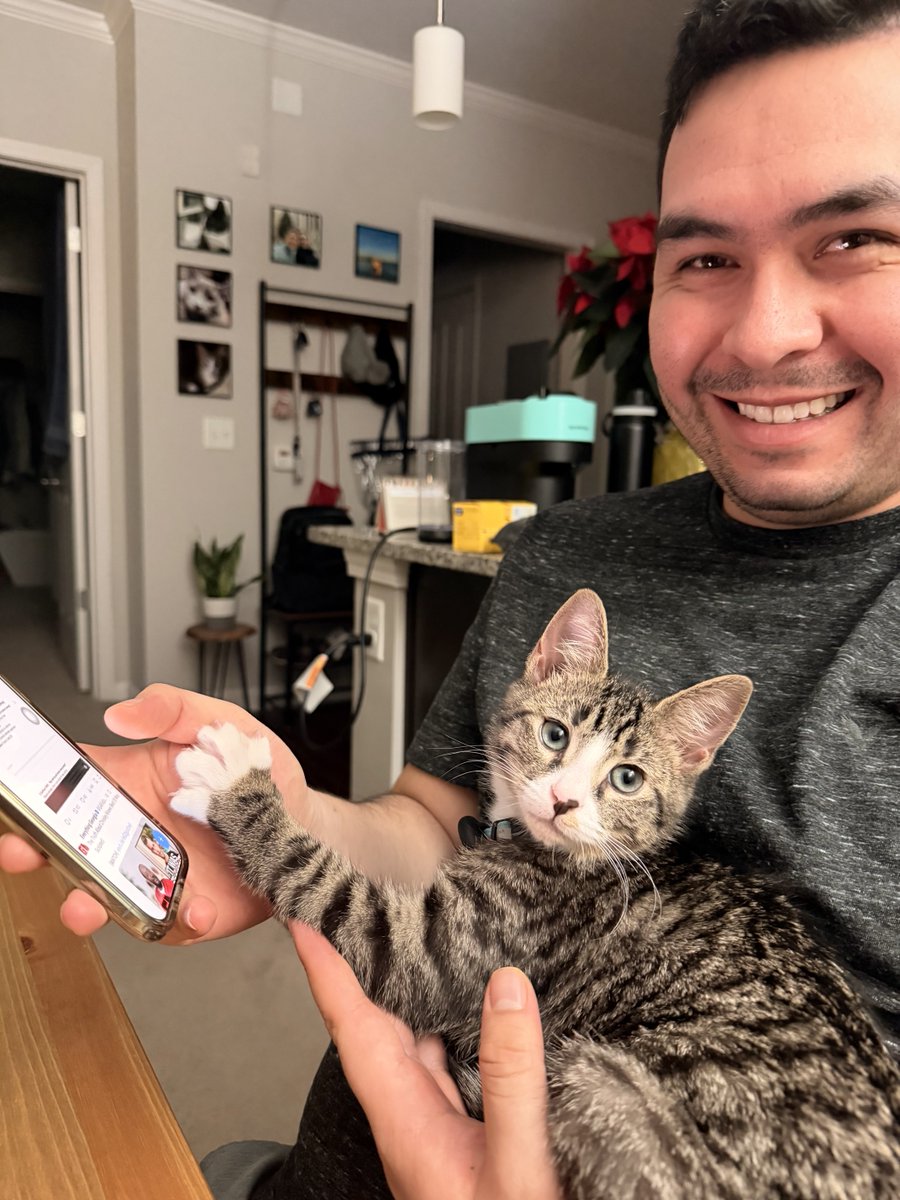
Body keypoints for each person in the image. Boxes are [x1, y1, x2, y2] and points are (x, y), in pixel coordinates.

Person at [3, 1, 900, 1196]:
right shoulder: (562, 551)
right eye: (704, 256)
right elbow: (435, 827)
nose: (769, 330)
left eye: (856, 237)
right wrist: (286, 816)